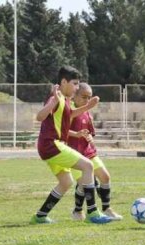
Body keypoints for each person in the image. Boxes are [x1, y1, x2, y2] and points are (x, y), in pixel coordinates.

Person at [32, 66, 113, 225]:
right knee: (88, 166)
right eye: (75, 84)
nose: (77, 88)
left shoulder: (64, 99)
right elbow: (40, 116)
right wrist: (53, 101)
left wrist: (87, 107)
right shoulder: (56, 96)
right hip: (52, 145)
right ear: (63, 82)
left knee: (66, 182)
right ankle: (92, 212)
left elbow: (69, 116)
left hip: (49, 146)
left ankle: (40, 215)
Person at [67, 83, 123, 221]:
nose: (87, 100)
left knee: (105, 177)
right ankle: (78, 211)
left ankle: (107, 209)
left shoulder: (87, 113)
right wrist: (76, 134)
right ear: (74, 95)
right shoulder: (69, 109)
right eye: (84, 97)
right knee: (84, 183)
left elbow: (90, 132)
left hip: (89, 151)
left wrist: (89, 137)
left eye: (89, 97)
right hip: (74, 153)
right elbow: (62, 130)